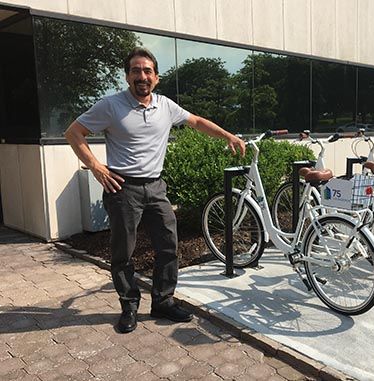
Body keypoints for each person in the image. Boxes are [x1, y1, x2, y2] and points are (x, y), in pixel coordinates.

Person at [65, 47, 245, 334]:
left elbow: (196, 121)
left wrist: (228, 135)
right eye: (136, 70)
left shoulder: (165, 105)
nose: (142, 76)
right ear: (127, 76)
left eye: (147, 71)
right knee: (123, 252)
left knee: (168, 246)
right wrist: (97, 168)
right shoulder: (110, 106)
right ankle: (129, 305)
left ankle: (162, 301)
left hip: (156, 187)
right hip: (123, 189)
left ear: (156, 78)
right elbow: (73, 133)